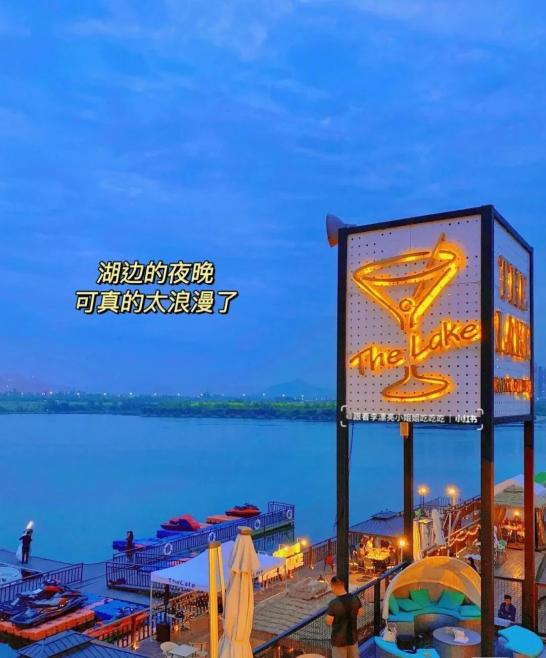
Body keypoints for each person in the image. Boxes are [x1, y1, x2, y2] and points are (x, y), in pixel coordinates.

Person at [325, 575, 364, 658]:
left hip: (339, 641)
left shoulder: (333, 604)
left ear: (333, 586)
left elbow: (328, 622)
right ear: (343, 585)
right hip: (352, 638)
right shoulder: (355, 598)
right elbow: (361, 613)